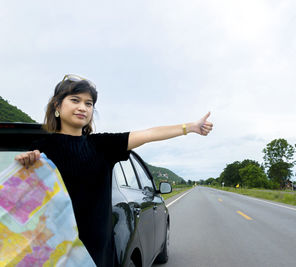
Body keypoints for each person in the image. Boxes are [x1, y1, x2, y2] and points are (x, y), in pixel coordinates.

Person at [15, 74, 213, 267]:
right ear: (57, 105)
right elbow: (19, 197)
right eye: (75, 100)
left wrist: (191, 127)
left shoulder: (103, 145)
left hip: (95, 246)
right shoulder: (40, 149)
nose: (82, 107)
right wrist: (23, 163)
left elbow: (148, 134)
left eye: (89, 103)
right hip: (52, 244)